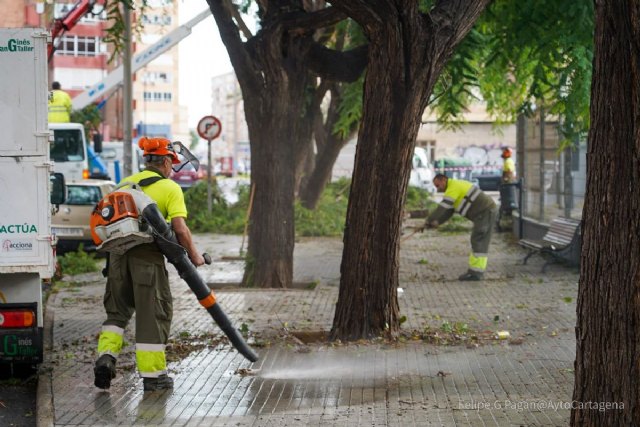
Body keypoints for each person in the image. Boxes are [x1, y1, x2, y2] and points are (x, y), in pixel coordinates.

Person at [93, 137, 205, 392]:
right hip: (147, 260)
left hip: (117, 259)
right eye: (171, 163)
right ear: (166, 161)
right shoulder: (169, 188)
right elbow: (180, 229)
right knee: (152, 315)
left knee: (116, 314)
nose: (171, 168)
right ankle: (154, 378)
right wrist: (195, 257)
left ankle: (106, 358)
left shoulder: (124, 184)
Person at [423, 174, 498, 281]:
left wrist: (428, 220)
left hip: (485, 212)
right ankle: (475, 272)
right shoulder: (454, 188)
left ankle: (476, 273)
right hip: (484, 212)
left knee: (479, 240)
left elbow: (442, 207)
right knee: (478, 240)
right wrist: (437, 222)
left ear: (443, 179)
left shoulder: (453, 187)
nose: (438, 189)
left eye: (438, 185)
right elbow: (449, 211)